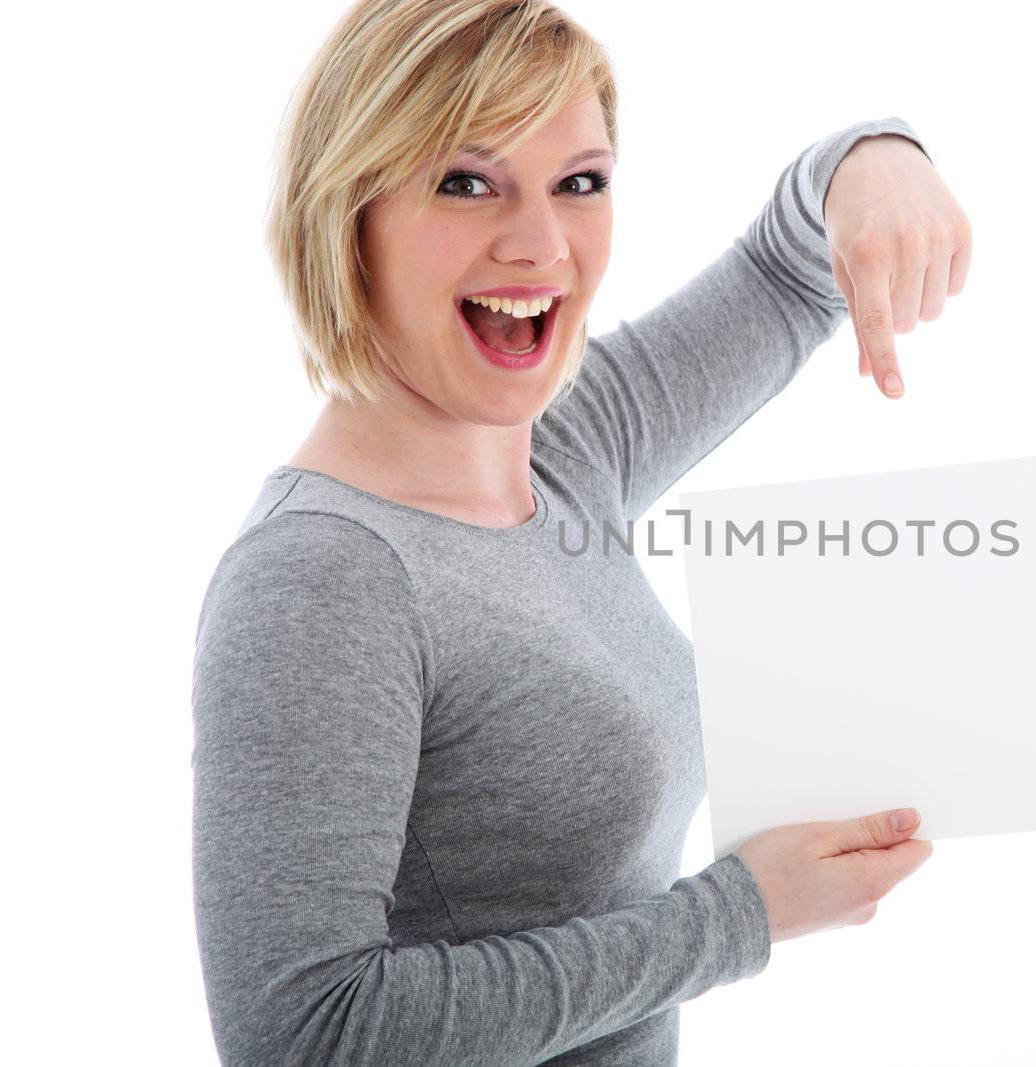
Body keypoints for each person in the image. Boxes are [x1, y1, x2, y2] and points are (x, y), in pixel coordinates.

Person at [190, 1, 972, 1063]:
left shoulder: (565, 449)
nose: (540, 242)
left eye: (581, 182)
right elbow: (303, 1035)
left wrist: (874, 154)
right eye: (466, 181)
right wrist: (736, 915)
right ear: (348, 208)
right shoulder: (321, 578)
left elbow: (790, 267)